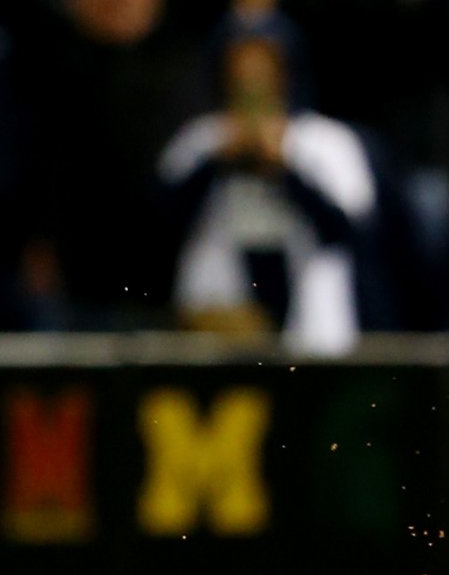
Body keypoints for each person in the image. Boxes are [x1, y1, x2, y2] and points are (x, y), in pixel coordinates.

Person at [157, 20, 375, 354]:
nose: (253, 82)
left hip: (313, 331)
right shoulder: (199, 141)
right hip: (217, 326)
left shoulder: (328, 142)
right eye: (240, 73)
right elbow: (159, 232)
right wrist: (221, 160)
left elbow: (348, 235)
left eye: (265, 70)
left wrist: (285, 169)